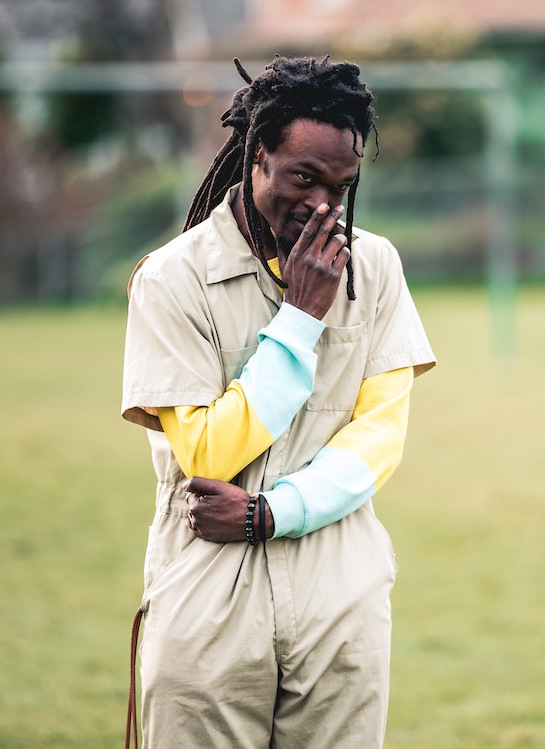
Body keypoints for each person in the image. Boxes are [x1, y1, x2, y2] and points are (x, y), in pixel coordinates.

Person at [120, 55, 436, 748]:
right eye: (303, 177)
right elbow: (207, 452)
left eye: (341, 185)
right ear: (256, 155)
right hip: (209, 601)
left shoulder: (375, 268)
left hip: (339, 597)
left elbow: (379, 439)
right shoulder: (172, 281)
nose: (323, 204)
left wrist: (271, 513)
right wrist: (300, 318)